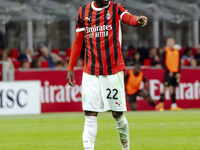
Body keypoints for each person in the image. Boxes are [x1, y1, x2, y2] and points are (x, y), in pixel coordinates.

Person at [67, 0, 147, 149]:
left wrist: (137, 20)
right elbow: (78, 40)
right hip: (90, 71)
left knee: (117, 114)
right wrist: (70, 67)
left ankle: (126, 147)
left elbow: (127, 17)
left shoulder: (115, 8)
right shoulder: (83, 12)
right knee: (90, 114)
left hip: (112, 71)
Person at [156, 38, 182, 112]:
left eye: (172, 42)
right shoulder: (165, 51)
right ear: (167, 43)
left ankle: (174, 105)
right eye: (169, 42)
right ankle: (161, 105)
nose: (171, 43)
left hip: (175, 73)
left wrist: (179, 72)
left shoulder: (177, 51)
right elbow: (162, 63)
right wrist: (168, 71)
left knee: (174, 89)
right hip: (168, 73)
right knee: (165, 88)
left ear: (174, 43)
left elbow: (179, 62)